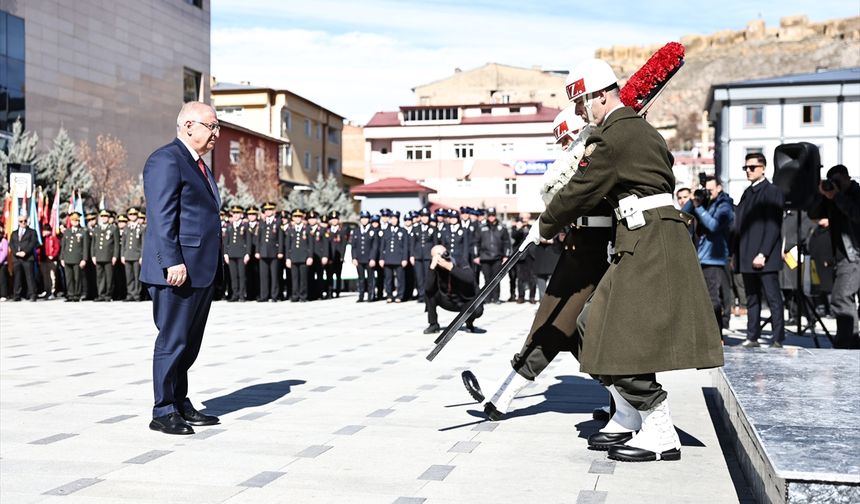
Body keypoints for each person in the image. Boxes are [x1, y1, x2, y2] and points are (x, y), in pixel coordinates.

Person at [526, 58, 722, 462]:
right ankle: (631, 413)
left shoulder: (615, 136)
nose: (580, 111)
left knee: (615, 328)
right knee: (587, 322)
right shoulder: (635, 130)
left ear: (601, 95)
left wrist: (544, 225)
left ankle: (658, 426)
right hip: (641, 237)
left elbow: (582, 188)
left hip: (649, 241)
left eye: (582, 102)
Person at [141, 101, 222, 435]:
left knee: (189, 343)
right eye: (211, 126)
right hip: (176, 269)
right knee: (172, 340)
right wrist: (172, 259)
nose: (216, 133)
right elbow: (162, 217)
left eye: (217, 127)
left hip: (200, 269)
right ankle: (163, 409)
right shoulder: (166, 160)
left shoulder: (198, 165)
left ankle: (179, 399)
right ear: (189, 126)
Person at [734, 152, 786, 348]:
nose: (748, 171)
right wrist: (735, 255)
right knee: (752, 298)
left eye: (752, 167)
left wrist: (763, 253)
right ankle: (752, 336)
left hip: (764, 256)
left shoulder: (772, 191)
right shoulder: (747, 193)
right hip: (746, 255)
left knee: (773, 298)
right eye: (746, 168)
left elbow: (773, 225)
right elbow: (739, 225)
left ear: (763, 168)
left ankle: (777, 338)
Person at [807, 164, 860, 349]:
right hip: (843, 256)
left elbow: (856, 214)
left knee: (840, 297)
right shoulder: (831, 198)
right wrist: (820, 193)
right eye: (832, 182)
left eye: (837, 181)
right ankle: (851, 342)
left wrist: (836, 196)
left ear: (847, 178)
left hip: (854, 254)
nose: (834, 185)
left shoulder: (856, 194)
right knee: (843, 297)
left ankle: (847, 342)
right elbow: (812, 214)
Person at [682, 175, 734, 337]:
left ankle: (717, 335)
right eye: (706, 190)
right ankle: (703, 334)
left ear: (719, 188)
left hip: (713, 257)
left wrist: (698, 207)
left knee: (713, 298)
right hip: (699, 256)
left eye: (711, 190)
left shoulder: (725, 205)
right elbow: (683, 215)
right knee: (698, 298)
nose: (708, 194)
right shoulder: (704, 202)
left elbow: (713, 225)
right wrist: (693, 199)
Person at [423, 244, 485, 334]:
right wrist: (432, 267)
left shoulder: (458, 259)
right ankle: (433, 324)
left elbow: (470, 279)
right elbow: (428, 288)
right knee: (429, 293)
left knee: (478, 310)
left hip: (464, 300)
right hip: (448, 300)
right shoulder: (434, 265)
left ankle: (469, 321)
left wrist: (451, 267)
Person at [474, 207, 510, 304]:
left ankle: (496, 298)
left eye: (493, 215)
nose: (491, 217)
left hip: (497, 257)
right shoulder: (481, 228)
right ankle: (487, 298)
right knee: (487, 279)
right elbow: (476, 242)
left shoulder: (502, 228)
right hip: (485, 257)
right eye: (489, 215)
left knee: (496, 278)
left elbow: (507, 243)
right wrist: (476, 256)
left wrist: (506, 256)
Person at [255, 202, 283, 302]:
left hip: (274, 252)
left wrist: (280, 251)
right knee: (263, 275)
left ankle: (274, 295)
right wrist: (257, 251)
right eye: (266, 210)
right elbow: (258, 238)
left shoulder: (278, 222)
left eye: (270, 210)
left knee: (274, 275)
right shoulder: (262, 222)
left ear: (274, 211)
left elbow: (280, 238)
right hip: (263, 252)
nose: (268, 212)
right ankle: (264, 296)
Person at [91, 209, 120, 302]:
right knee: (100, 277)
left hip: (109, 256)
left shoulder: (113, 228)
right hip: (98, 256)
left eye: (106, 216)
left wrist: (115, 256)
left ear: (108, 218)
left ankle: (108, 294)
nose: (104, 218)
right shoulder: (97, 228)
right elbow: (93, 244)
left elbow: (116, 244)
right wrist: (93, 256)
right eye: (102, 216)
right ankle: (101, 294)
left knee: (109, 277)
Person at [410, 208, 437, 303]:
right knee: (419, 277)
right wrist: (412, 255)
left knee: (427, 276)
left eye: (426, 216)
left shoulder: (433, 229)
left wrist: (435, 256)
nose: (424, 218)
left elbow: (435, 243)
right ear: (420, 217)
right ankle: (421, 295)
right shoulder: (415, 228)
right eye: (423, 216)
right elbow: (412, 243)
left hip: (428, 256)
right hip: (417, 256)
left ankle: (427, 296)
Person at [380, 210, 409, 303]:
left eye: (395, 218)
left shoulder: (403, 231)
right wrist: (381, 258)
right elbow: (382, 246)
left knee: (400, 278)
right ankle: (389, 295)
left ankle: (400, 295)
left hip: (399, 258)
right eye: (392, 218)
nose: (393, 220)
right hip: (388, 258)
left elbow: (405, 246)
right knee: (388, 278)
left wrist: (405, 258)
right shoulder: (386, 231)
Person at [285, 208, 313, 302]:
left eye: (299, 217)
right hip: (293, 257)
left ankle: (303, 295)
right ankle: (295, 295)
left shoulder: (307, 229)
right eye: (295, 217)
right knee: (294, 278)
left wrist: (310, 257)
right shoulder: (290, 230)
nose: (297, 218)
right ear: (292, 218)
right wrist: (287, 258)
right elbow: (287, 246)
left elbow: (310, 245)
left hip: (304, 257)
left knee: (303, 278)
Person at [60, 212, 89, 302]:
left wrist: (84, 259)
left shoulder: (83, 231)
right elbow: (63, 246)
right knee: (69, 278)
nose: (75, 222)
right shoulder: (67, 231)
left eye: (76, 220)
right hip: (67, 258)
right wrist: (62, 258)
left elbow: (85, 247)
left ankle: (77, 294)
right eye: (73, 220)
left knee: (77, 278)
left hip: (77, 259)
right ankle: (70, 294)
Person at [350, 210, 378, 302]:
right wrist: (354, 257)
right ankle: (361, 296)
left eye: (366, 218)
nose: (364, 220)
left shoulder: (373, 231)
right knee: (360, 278)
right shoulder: (356, 231)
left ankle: (371, 295)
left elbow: (375, 246)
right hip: (359, 259)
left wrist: (373, 258)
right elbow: (353, 246)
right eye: (362, 218)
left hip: (369, 259)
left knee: (370, 279)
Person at [10, 213, 38, 301]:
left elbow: (33, 243)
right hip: (17, 258)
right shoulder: (14, 233)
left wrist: (25, 252)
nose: (23, 223)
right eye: (21, 221)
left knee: (30, 277)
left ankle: (32, 294)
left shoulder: (32, 232)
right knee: (17, 277)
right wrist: (16, 253)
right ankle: (17, 295)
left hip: (27, 258)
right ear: (18, 222)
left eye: (25, 221)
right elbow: (11, 244)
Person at [511, 213, 537, 303]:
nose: (525, 219)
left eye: (527, 217)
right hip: (521, 255)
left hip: (531, 255)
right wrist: (518, 228)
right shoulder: (517, 227)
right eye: (523, 217)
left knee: (532, 277)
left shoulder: (533, 227)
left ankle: (532, 297)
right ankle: (521, 296)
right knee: (520, 277)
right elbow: (514, 236)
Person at [122, 208, 145, 301]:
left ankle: (137, 294)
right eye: (130, 214)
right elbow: (123, 243)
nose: (132, 216)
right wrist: (122, 255)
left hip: (136, 256)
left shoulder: (142, 228)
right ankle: (130, 294)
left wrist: (142, 256)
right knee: (129, 276)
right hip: (127, 255)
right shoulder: (126, 228)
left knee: (137, 276)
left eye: (134, 214)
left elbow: (143, 243)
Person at [325, 211, 348, 299]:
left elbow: (344, 244)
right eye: (332, 219)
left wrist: (342, 255)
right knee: (329, 274)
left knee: (338, 275)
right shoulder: (327, 230)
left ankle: (337, 291)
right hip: (330, 256)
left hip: (338, 257)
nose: (334, 221)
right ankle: (329, 292)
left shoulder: (342, 230)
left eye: (335, 219)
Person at [39, 225, 61, 299]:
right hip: (44, 260)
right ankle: (47, 290)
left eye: (46, 231)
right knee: (45, 276)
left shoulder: (53, 238)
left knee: (52, 277)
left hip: (52, 259)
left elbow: (57, 248)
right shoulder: (42, 239)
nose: (44, 232)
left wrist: (53, 255)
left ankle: (52, 292)